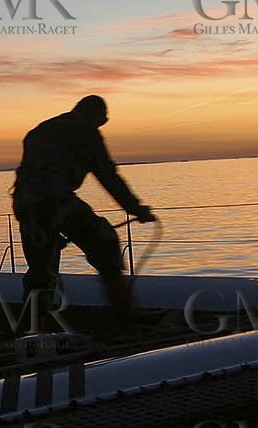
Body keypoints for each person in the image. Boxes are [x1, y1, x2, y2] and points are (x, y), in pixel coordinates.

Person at [12, 95, 155, 321]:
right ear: (96, 116)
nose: (100, 126)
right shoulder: (85, 131)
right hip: (55, 201)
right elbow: (108, 175)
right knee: (105, 242)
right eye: (101, 121)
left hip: (24, 204)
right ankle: (124, 313)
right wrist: (136, 209)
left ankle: (33, 325)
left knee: (41, 268)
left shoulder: (41, 130)